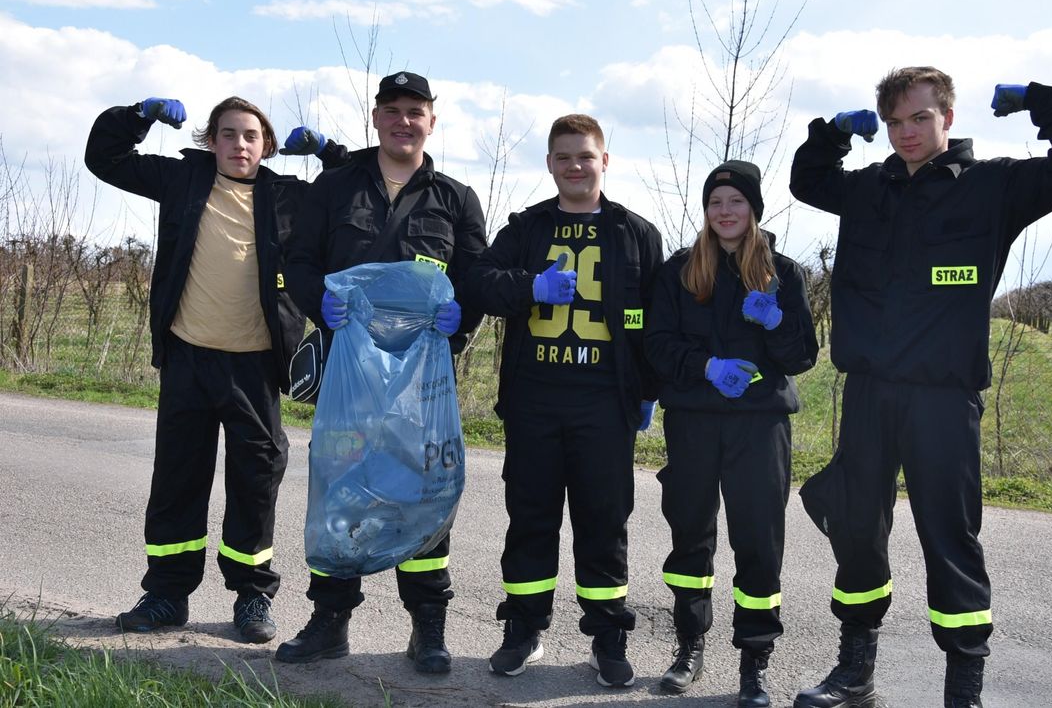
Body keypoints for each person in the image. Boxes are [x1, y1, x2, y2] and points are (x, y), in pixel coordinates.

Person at [788, 67, 1052, 708]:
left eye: (920, 118)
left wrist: (1042, 103)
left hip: (943, 396)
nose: (906, 133)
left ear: (948, 119)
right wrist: (830, 135)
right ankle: (855, 670)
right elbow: (806, 180)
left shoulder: (994, 187)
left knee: (950, 538)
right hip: (870, 393)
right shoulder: (866, 190)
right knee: (857, 529)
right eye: (894, 122)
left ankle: (964, 686)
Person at [275, 70, 487, 674]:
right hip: (349, 374)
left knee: (423, 490)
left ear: (431, 121)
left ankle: (428, 628)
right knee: (341, 490)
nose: (403, 120)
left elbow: (473, 276)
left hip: (423, 381)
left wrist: (459, 319)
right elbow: (299, 260)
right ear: (376, 118)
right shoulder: (336, 187)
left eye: (414, 111)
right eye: (391, 110)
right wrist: (322, 303)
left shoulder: (455, 198)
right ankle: (329, 621)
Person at [85, 96, 308, 644]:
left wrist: (329, 151)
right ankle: (166, 593)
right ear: (212, 141)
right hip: (188, 355)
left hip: (255, 363)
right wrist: (138, 114)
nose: (239, 145)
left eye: (251, 135)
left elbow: (356, 188)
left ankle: (252, 596)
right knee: (178, 477)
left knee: (256, 480)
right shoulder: (182, 179)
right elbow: (105, 158)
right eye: (228, 134)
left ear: (267, 145)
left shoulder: (289, 197)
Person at [464, 114, 663, 688]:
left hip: (605, 404)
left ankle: (607, 636)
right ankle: (524, 629)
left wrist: (646, 391)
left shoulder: (635, 233)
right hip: (534, 401)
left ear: (606, 161)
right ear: (549, 164)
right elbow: (478, 282)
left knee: (604, 522)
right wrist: (531, 287)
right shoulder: (527, 228)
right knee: (530, 517)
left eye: (586, 156)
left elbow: (654, 320)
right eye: (564, 157)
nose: (575, 166)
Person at [645, 160, 818, 706]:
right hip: (694, 420)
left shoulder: (785, 274)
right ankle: (689, 647)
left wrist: (776, 323)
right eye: (716, 202)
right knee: (690, 535)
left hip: (759, 425)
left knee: (758, 542)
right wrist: (705, 367)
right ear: (705, 211)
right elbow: (657, 343)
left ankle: (755, 662)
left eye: (736, 202)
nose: (725, 212)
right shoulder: (679, 270)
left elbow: (803, 356)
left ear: (754, 209)